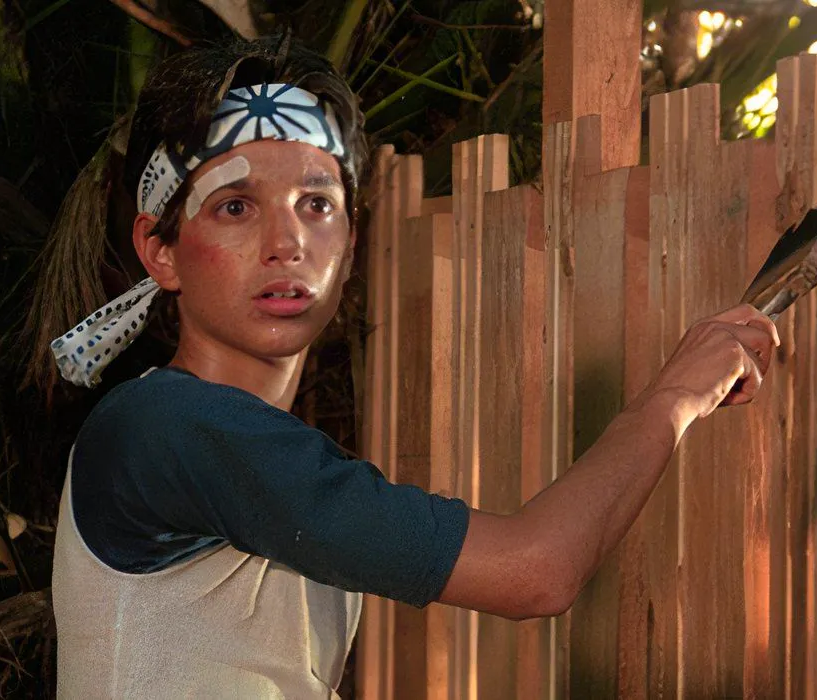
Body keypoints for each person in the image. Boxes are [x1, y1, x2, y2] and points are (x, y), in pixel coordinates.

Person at [44, 35, 777, 698]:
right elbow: (537, 571)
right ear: (161, 249)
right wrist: (678, 393)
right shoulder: (167, 428)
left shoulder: (239, 444)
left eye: (316, 203)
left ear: (351, 241)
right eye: (235, 206)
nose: (287, 242)